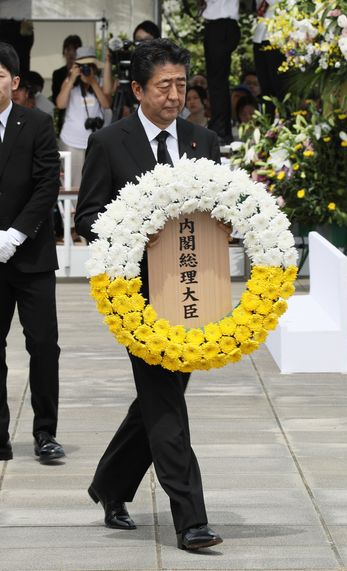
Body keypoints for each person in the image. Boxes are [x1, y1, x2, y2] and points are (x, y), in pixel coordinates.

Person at [75, 38, 223, 551]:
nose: (176, 96)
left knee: (159, 400)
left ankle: (110, 486)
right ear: (137, 89)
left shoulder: (203, 140)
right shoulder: (111, 143)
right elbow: (87, 218)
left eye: (182, 85)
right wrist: (136, 233)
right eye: (165, 86)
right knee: (165, 405)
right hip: (137, 297)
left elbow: (219, 213)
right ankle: (190, 518)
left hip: (191, 292)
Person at [0, 42, 64, 463]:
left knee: (43, 345)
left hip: (31, 255)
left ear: (15, 81)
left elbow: (46, 185)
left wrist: (15, 234)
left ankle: (45, 433)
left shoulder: (38, 123)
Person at [56, 46, 111, 188]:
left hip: (95, 142)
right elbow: (60, 104)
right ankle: (74, 210)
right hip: (71, 141)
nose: (86, 70)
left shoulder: (98, 82)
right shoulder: (70, 82)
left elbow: (106, 104)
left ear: (94, 67)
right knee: (73, 182)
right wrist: (72, 78)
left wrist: (92, 81)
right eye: (83, 67)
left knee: (94, 180)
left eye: (90, 66)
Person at [202, 0, 240, 144]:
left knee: (217, 81)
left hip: (222, 24)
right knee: (216, 81)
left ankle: (221, 129)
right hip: (217, 25)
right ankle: (221, 128)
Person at [51, 35, 82, 135]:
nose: (71, 53)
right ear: (64, 52)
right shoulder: (58, 74)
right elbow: (56, 98)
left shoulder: (84, 73)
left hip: (82, 117)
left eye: (75, 49)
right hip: (64, 119)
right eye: (68, 49)